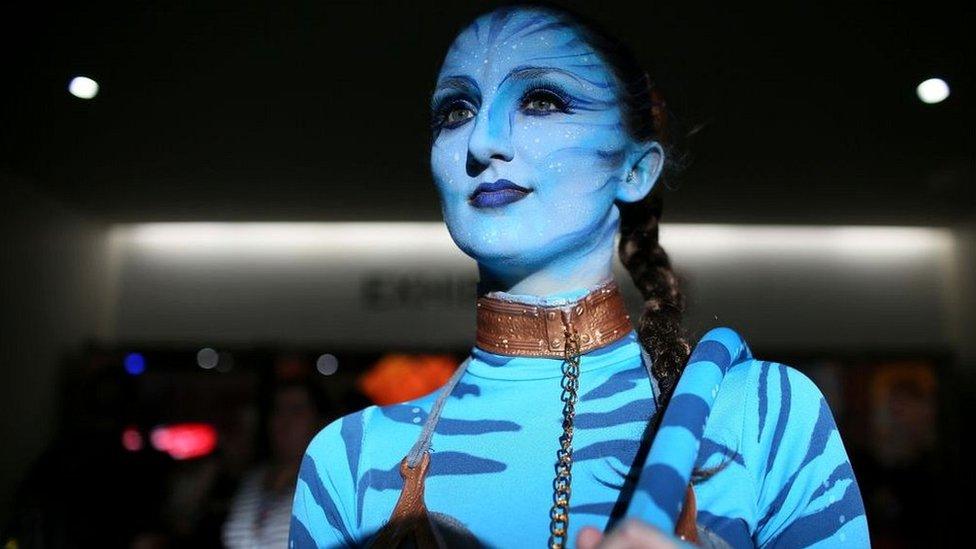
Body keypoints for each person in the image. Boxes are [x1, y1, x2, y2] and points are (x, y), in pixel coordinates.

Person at [290, 2, 870, 547]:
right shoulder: (350, 460)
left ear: (636, 170)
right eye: (456, 111)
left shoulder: (758, 413)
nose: (482, 142)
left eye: (541, 101)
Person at [224, 379, 329, 548]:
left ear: (318, 421)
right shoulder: (252, 479)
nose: (284, 421)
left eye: (296, 411)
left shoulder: (325, 486)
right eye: (277, 410)